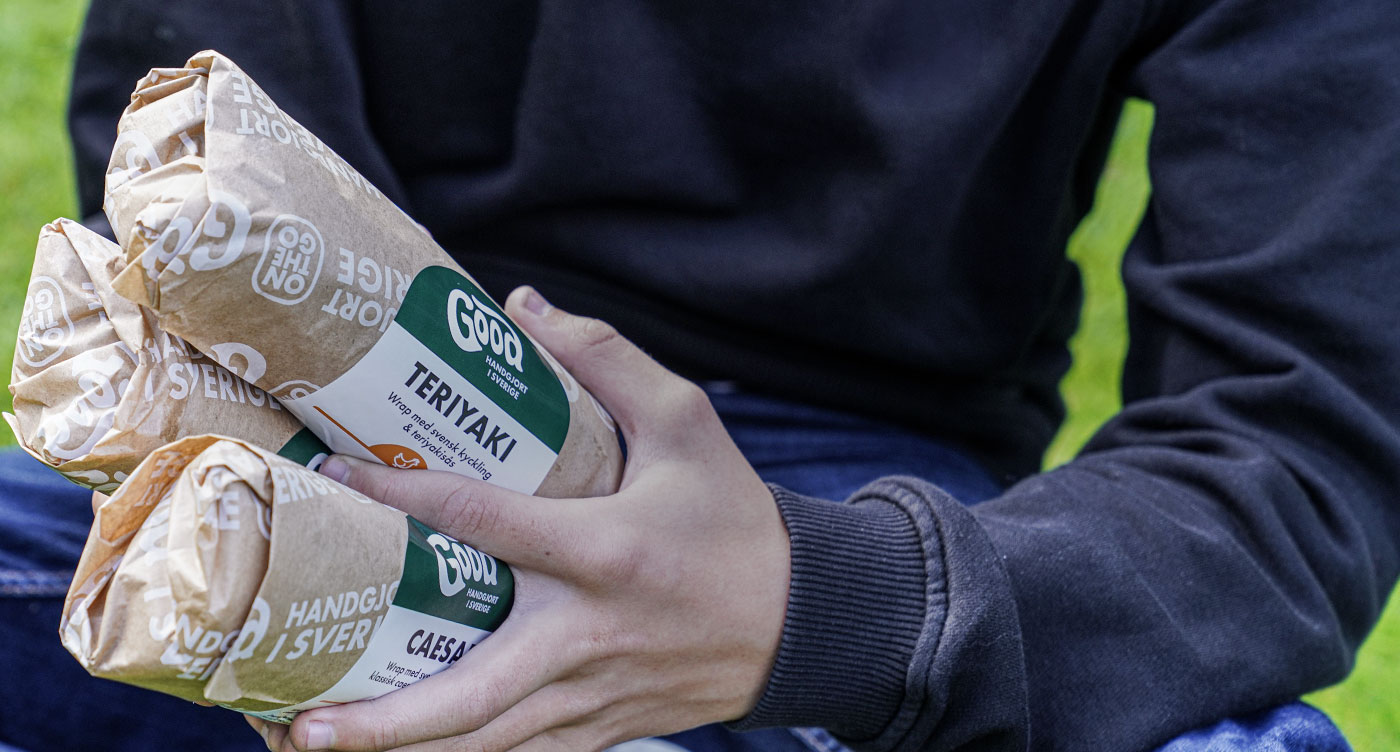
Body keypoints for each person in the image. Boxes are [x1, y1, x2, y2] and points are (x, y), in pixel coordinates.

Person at [3, 0, 1397, 749]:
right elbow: (203, 158)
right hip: (337, 435)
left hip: (843, 511)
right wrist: (361, 549)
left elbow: (1293, 448)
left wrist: (823, 611)